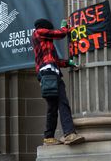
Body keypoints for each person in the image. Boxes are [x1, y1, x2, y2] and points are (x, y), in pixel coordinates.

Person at [32, 18, 85, 146]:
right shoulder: (38, 32)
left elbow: (56, 61)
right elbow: (59, 34)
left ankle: (49, 137)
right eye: (48, 29)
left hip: (47, 74)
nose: (49, 31)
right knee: (62, 102)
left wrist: (68, 63)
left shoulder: (46, 44)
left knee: (53, 106)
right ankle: (69, 133)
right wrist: (64, 28)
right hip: (49, 73)